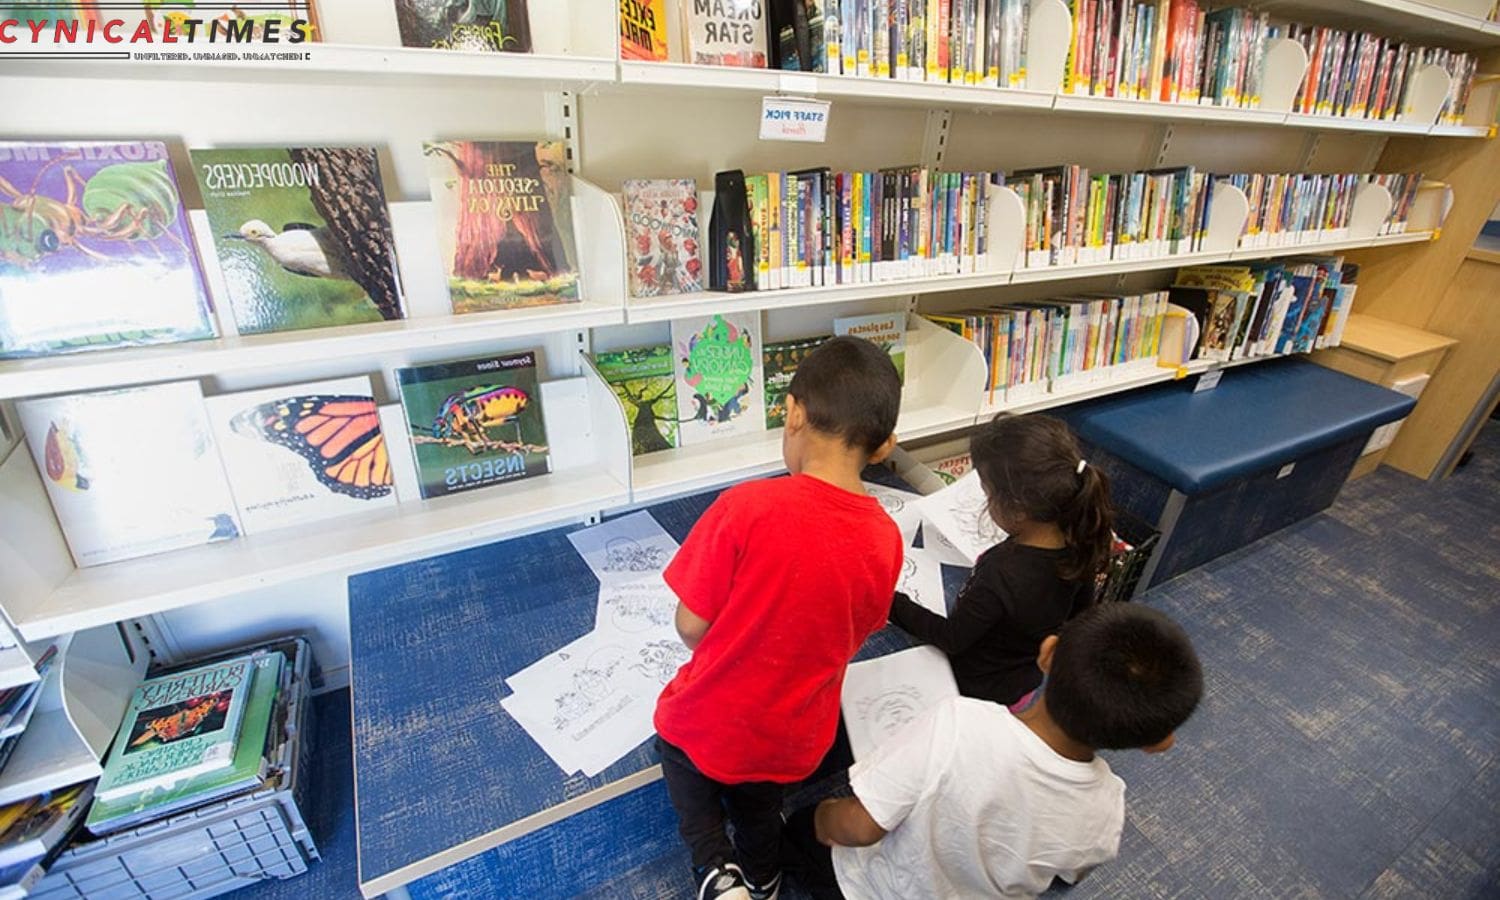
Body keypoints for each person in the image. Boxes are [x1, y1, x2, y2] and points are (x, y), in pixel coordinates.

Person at [654, 336, 906, 900]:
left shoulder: (745, 507)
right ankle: (764, 878)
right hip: (795, 740)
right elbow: (861, 630)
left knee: (672, 745)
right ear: (884, 445)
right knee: (762, 805)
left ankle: (715, 868)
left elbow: (690, 626)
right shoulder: (886, 538)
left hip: (714, 725)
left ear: (792, 413)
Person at [794, 602, 1204, 899]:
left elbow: (861, 828)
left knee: (801, 827)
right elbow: (1069, 875)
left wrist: (822, 816)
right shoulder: (1105, 814)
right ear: (1158, 743)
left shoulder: (961, 722)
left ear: (1048, 653)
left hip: (867, 887)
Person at [890, 413, 1114, 707]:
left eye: (987, 493)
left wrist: (891, 600)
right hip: (1021, 688)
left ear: (1018, 509)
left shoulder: (1002, 574)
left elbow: (952, 638)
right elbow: (1078, 620)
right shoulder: (1079, 543)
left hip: (972, 694)